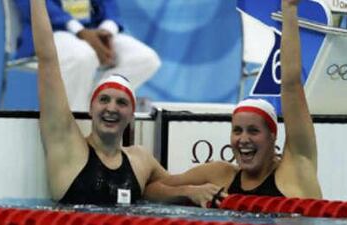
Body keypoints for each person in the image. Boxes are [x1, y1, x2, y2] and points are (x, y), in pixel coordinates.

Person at [30, 0, 221, 206]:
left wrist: (200, 187)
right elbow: (47, 59)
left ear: (132, 114)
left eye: (121, 102)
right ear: (90, 108)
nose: (111, 108)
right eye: (104, 100)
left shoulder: (140, 161)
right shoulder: (68, 147)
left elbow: (171, 185)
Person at [147, 0, 322, 202]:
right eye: (237, 130)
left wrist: (289, 9)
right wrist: (189, 192)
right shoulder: (219, 174)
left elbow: (291, 84)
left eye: (253, 131)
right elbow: (151, 190)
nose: (243, 139)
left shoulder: (296, 167)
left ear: (272, 135)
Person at [14, 0, 161, 112]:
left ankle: (96, 109)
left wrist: (107, 31)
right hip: (50, 32)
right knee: (83, 56)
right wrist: (79, 31)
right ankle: (76, 124)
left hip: (94, 30)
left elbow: (109, 5)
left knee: (145, 59)